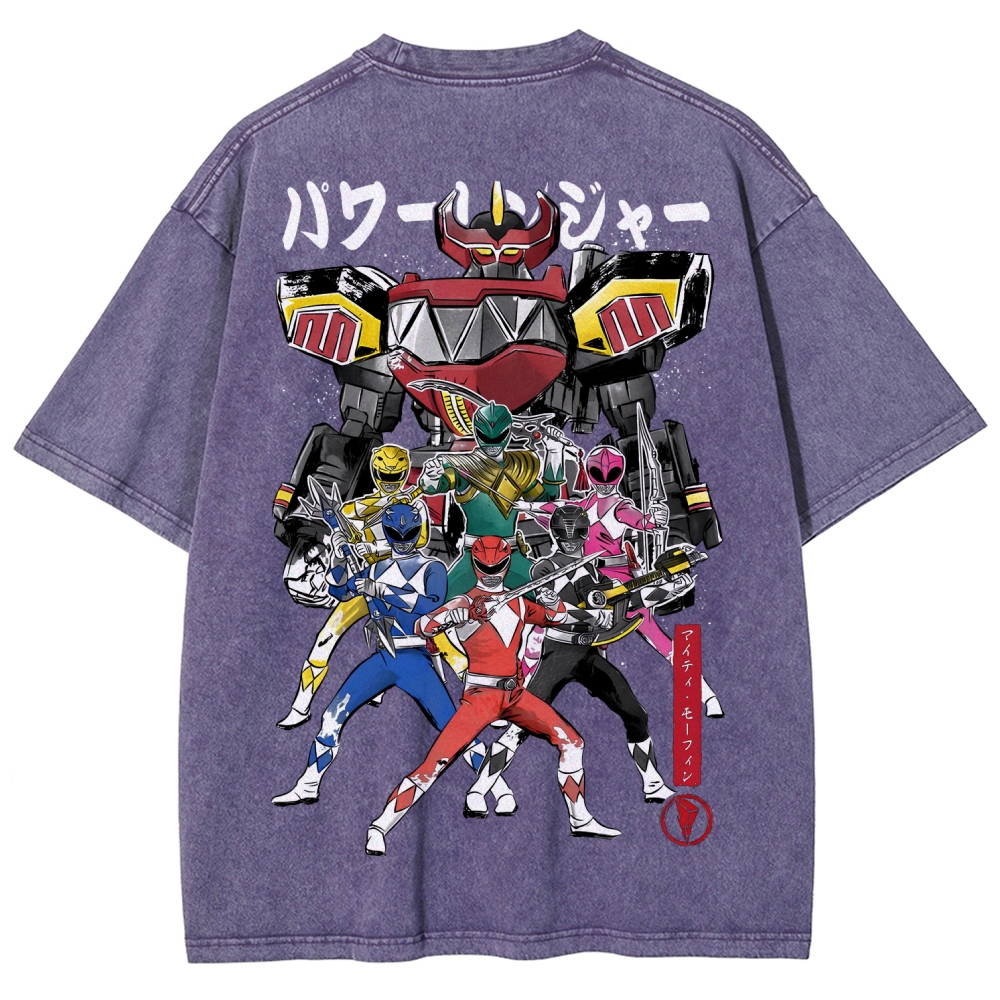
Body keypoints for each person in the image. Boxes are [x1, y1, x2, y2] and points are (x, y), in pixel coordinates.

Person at [365, 535, 620, 856]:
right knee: (435, 764)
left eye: (497, 567)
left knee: (572, 742)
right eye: (485, 568)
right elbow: (423, 626)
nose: (491, 573)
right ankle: (379, 827)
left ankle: (579, 819)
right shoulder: (463, 603)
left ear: (506, 564)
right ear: (475, 566)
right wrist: (452, 618)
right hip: (480, 697)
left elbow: (558, 617)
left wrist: (579, 611)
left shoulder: (519, 603)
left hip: (514, 695)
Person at [272, 503, 515, 812]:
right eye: (395, 534)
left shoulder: (432, 568)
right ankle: (309, 783)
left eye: (407, 534)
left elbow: (430, 605)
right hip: (384, 658)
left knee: (456, 730)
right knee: (332, 716)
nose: (401, 541)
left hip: (415, 659)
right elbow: (340, 591)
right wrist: (339, 557)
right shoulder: (375, 569)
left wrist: (380, 589)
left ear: (418, 533)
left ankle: (500, 788)